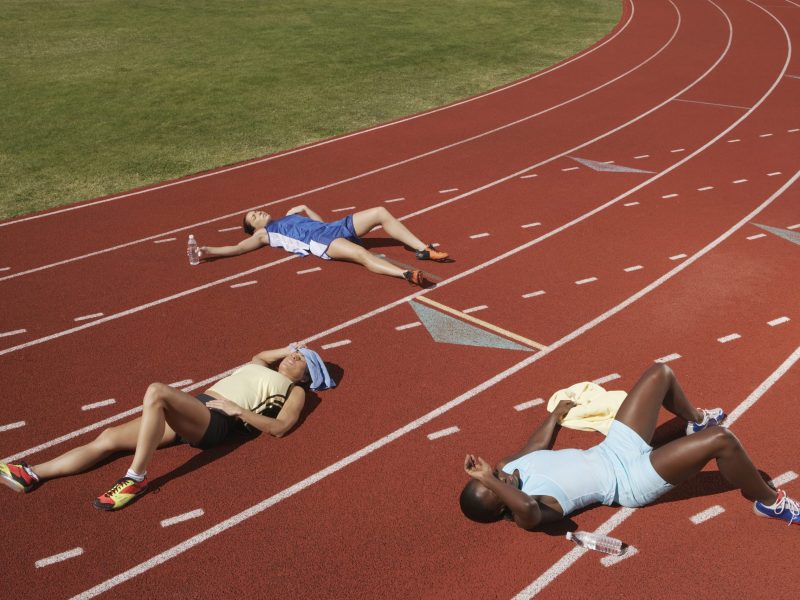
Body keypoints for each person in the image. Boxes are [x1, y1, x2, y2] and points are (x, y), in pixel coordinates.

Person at [461, 363, 798, 529]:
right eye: (496, 484)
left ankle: (695, 418)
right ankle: (769, 503)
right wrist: (491, 481)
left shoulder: (509, 467)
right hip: (629, 481)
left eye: (494, 475)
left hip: (613, 449)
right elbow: (530, 511)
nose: (501, 476)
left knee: (659, 373)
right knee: (722, 441)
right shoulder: (526, 511)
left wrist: (556, 415)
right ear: (501, 507)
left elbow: (535, 446)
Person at [0, 344, 335, 511]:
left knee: (157, 392)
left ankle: (136, 478)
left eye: (303, 357)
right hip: (194, 408)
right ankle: (32, 474)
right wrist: (289, 347)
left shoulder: (296, 391)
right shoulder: (261, 363)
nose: (294, 356)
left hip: (215, 421)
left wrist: (237, 411)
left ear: (309, 374)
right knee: (109, 438)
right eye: (294, 352)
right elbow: (263, 353)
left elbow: (280, 427)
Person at [198, 205, 450, 286]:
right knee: (361, 254)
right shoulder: (264, 234)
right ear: (254, 228)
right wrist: (209, 250)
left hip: (331, 228)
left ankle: (423, 248)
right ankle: (405, 274)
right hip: (322, 242)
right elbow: (240, 248)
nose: (257, 213)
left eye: (255, 211)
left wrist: (306, 208)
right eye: (253, 218)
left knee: (380, 212)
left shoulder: (287, 217)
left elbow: (320, 222)